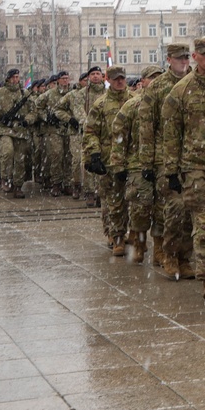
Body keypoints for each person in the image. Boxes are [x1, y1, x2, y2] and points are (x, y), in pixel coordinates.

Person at [161, 37, 205, 300]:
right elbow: (171, 134)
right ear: (195, 57)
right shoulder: (180, 92)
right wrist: (171, 171)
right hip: (194, 169)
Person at [139, 44, 193, 273]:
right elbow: (147, 125)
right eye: (179, 58)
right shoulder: (158, 87)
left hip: (193, 155)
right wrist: (146, 162)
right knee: (173, 209)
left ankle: (184, 258)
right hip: (165, 157)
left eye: (186, 58)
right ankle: (169, 254)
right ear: (169, 60)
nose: (183, 62)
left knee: (190, 211)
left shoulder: (194, 83)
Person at [110, 65, 163, 264]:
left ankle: (159, 248)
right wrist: (118, 165)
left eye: (159, 78)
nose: (156, 82)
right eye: (152, 78)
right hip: (137, 165)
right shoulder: (133, 105)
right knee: (140, 209)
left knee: (162, 210)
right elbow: (119, 133)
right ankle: (140, 245)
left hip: (162, 163)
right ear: (143, 82)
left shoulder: (167, 103)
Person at [83, 66, 133, 255]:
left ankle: (125, 230)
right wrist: (93, 154)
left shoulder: (134, 101)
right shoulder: (101, 104)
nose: (119, 81)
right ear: (108, 80)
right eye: (115, 79)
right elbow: (90, 132)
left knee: (129, 198)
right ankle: (115, 235)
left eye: (122, 78)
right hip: (108, 157)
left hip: (131, 157)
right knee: (110, 199)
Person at [55, 67, 105, 204]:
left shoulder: (108, 93)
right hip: (83, 133)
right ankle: (88, 191)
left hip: (105, 133)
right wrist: (82, 123)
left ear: (102, 76)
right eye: (92, 74)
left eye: (98, 74)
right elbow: (78, 111)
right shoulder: (80, 94)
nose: (95, 76)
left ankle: (100, 192)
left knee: (103, 162)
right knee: (85, 161)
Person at [0, 69, 32, 198]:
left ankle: (18, 185)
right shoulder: (0, 93)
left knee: (20, 158)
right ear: (8, 79)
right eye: (13, 77)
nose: (15, 79)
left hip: (20, 129)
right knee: (7, 152)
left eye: (17, 77)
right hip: (4, 129)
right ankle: (5, 178)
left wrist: (27, 120)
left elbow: (33, 111)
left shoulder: (24, 94)